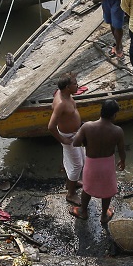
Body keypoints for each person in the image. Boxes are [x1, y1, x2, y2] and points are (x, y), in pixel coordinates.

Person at [69, 98, 126, 222]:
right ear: (114, 114)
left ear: (101, 111)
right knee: (107, 190)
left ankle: (83, 211)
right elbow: (122, 150)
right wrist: (123, 161)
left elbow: (76, 143)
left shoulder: (87, 126)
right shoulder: (118, 131)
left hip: (92, 163)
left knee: (87, 188)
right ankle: (104, 215)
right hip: (107, 164)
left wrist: (87, 140)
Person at [48, 75, 85, 216]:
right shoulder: (61, 103)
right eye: (75, 84)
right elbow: (51, 126)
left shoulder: (61, 92)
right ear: (67, 87)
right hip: (69, 137)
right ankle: (70, 194)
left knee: (81, 160)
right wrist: (63, 139)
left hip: (76, 133)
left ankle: (73, 182)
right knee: (77, 165)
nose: (78, 86)